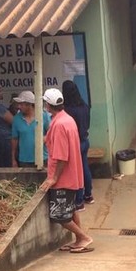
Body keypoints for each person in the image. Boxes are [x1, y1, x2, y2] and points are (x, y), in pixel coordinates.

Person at [40, 88, 93, 254]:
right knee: (71, 209)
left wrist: (53, 178)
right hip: (70, 175)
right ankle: (79, 239)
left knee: (60, 215)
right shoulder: (66, 119)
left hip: (63, 177)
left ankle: (83, 237)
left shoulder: (60, 124)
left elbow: (62, 156)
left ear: (48, 105)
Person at [62, 80, 94, 208]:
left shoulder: (68, 110)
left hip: (75, 144)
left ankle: (79, 200)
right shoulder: (85, 106)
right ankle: (88, 194)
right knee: (84, 168)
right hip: (85, 141)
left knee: (76, 171)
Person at [10, 90, 50, 168]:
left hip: (43, 159)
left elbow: (52, 133)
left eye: (21, 104)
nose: (19, 107)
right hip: (24, 161)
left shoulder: (44, 116)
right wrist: (13, 159)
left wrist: (45, 138)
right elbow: (14, 140)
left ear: (29, 105)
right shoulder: (16, 119)